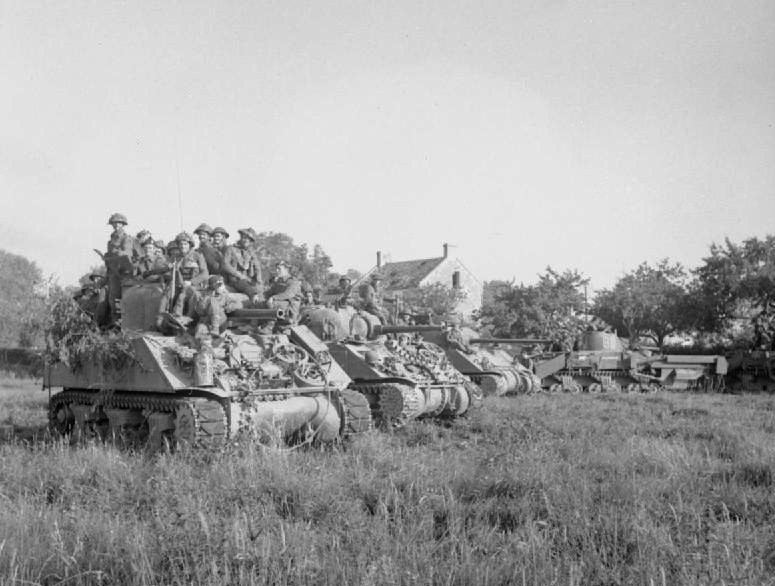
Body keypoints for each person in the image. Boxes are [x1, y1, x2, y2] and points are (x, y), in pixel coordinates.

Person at [104, 213, 136, 323]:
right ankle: (116, 323)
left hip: (125, 272)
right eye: (114, 223)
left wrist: (115, 252)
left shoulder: (126, 239)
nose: (116, 225)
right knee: (113, 299)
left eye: (118, 223)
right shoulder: (111, 240)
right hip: (113, 273)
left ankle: (128, 323)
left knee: (126, 298)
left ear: (123, 224)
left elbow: (127, 253)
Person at [172, 231, 209, 317]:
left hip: (195, 285)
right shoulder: (176, 258)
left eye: (185, 244)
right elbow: (173, 272)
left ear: (190, 245)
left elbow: (205, 273)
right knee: (167, 292)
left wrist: (191, 282)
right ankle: (162, 316)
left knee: (183, 294)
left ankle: (177, 315)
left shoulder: (197, 256)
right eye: (180, 244)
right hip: (180, 284)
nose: (182, 246)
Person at [221, 228, 263, 302]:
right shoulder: (231, 249)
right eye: (244, 238)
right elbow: (225, 265)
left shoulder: (251, 253)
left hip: (248, 280)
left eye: (248, 239)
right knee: (249, 289)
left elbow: (257, 268)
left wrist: (259, 281)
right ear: (241, 238)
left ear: (250, 241)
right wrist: (237, 274)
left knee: (259, 290)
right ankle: (253, 295)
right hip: (235, 279)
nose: (246, 240)